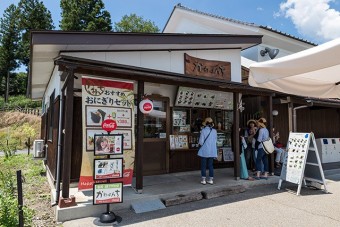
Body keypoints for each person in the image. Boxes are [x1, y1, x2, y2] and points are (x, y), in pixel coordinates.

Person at [198, 117, 217, 185]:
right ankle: (211, 179)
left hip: (205, 150)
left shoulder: (203, 131)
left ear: (205, 124)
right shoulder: (214, 131)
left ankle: (203, 180)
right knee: (210, 165)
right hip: (212, 151)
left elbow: (201, 142)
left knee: (203, 166)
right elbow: (215, 141)